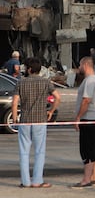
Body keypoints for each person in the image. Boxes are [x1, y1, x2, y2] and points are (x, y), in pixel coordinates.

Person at [11, 57, 60, 188]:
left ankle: (25, 181)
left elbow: (15, 102)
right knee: (39, 151)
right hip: (40, 120)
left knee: (24, 151)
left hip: (25, 120)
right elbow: (57, 97)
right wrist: (51, 111)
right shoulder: (45, 82)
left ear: (29, 69)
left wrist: (15, 118)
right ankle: (37, 180)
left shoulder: (21, 82)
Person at [72, 56, 95, 189]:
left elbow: (86, 100)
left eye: (80, 65)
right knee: (93, 148)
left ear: (85, 65)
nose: (79, 68)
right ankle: (93, 177)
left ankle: (86, 179)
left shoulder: (90, 81)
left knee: (86, 150)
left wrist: (78, 117)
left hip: (89, 119)